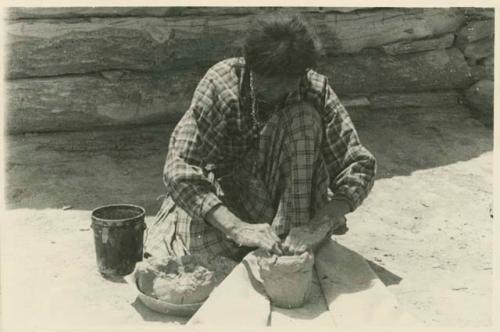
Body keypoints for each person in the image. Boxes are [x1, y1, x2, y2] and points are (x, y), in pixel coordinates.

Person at [144, 14, 376, 261]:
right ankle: (261, 245)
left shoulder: (314, 89)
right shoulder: (221, 83)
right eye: (269, 84)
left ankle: (288, 250)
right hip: (229, 199)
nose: (278, 92)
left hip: (290, 205)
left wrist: (318, 225)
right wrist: (236, 228)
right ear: (250, 66)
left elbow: (358, 166)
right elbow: (179, 168)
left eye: (288, 83)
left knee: (303, 118)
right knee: (201, 257)